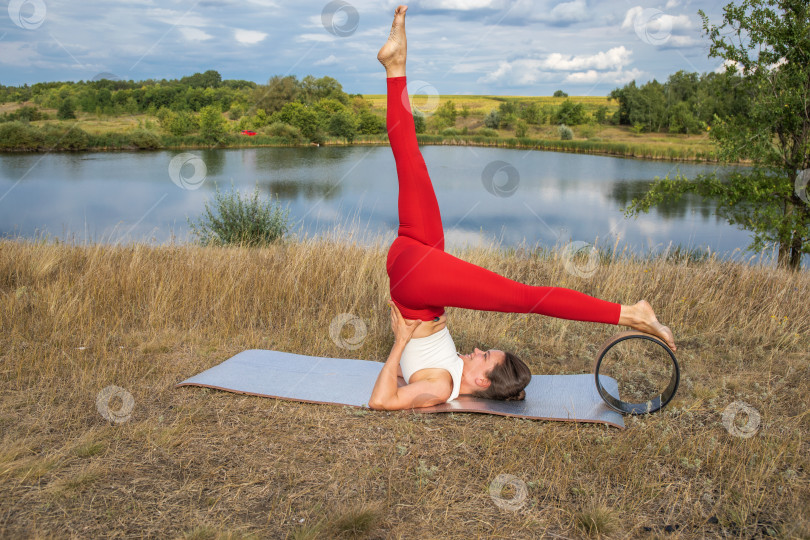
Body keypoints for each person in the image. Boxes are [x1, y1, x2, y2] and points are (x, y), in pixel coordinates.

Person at [368, 5, 676, 411]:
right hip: (418, 268)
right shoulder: (457, 373)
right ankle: (396, 66)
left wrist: (401, 342)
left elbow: (381, 402)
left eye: (484, 356)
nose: (477, 349)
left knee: (526, 297)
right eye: (485, 351)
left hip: (417, 283)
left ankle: (631, 314)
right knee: (410, 161)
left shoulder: (441, 387)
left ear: (480, 379)